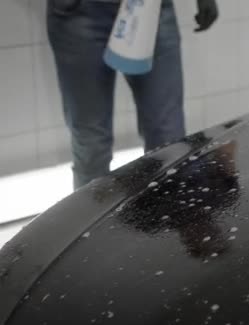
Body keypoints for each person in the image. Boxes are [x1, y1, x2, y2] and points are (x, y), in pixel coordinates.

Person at [47, 0, 218, 189]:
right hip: (80, 13)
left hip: (151, 9)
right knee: (91, 143)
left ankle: (164, 215)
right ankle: (92, 215)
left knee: (168, 138)